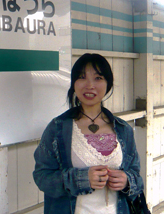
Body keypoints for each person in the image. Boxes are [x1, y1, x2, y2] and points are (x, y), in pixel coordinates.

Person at [33, 53, 144, 214]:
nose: (90, 85)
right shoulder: (57, 128)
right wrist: (80, 179)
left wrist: (127, 181)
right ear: (74, 83)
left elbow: (136, 177)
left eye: (98, 78)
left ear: (108, 84)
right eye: (82, 77)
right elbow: (42, 177)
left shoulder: (123, 129)